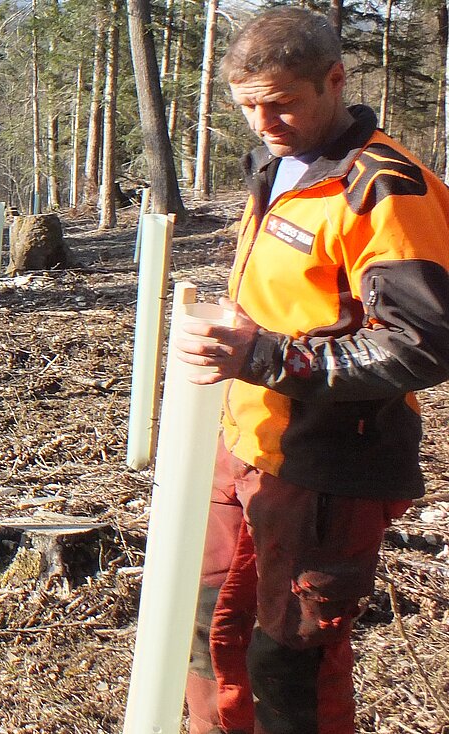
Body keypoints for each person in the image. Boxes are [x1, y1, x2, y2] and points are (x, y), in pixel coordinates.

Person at [173, 7, 449, 734]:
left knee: (290, 664)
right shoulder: (276, 163)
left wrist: (262, 356)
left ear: (336, 80)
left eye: (282, 102)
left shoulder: (387, 189)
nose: (264, 122)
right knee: (202, 629)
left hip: (330, 466)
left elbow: (421, 343)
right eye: (247, 107)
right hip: (244, 447)